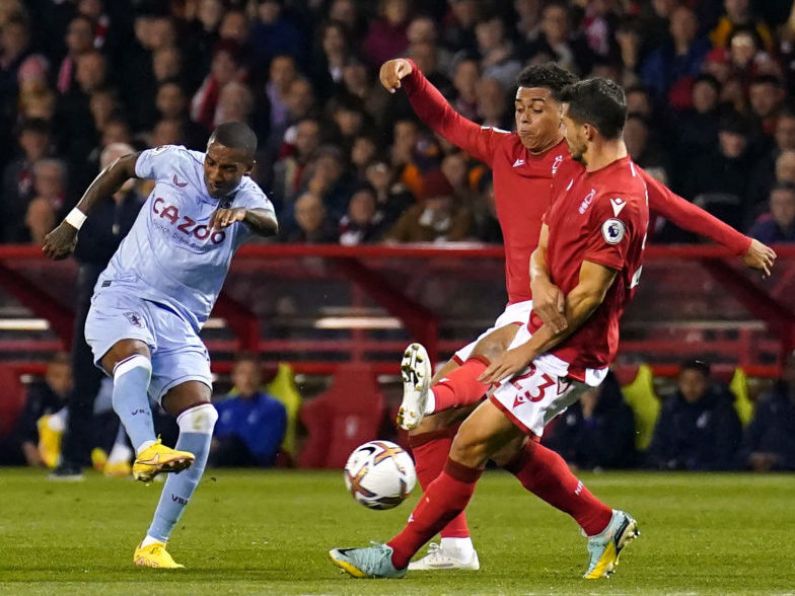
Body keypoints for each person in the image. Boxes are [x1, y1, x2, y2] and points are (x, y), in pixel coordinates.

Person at [372, 57, 775, 570]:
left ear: (566, 115)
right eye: (518, 107)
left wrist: (738, 244)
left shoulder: (589, 163)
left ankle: (432, 395)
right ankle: (464, 543)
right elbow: (448, 121)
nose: (523, 118)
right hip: (524, 301)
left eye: (537, 109)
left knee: (460, 395)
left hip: (559, 313)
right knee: (483, 442)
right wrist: (412, 79)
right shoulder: (504, 151)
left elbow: (671, 203)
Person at [330, 77, 647, 580]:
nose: (550, 130)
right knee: (498, 444)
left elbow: (588, 299)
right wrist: (539, 280)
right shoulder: (576, 173)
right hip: (538, 322)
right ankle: (601, 523)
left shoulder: (620, 200)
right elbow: (541, 243)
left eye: (561, 121)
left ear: (586, 129)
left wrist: (528, 350)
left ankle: (395, 556)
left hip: (573, 351)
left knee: (470, 441)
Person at [42, 121, 278, 568]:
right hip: (123, 293)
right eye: (211, 161)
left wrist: (244, 215)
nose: (214, 174)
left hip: (181, 320)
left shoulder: (250, 202)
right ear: (204, 153)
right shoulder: (175, 162)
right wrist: (73, 222)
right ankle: (146, 447)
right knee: (135, 360)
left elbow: (272, 223)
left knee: (202, 415)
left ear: (248, 169)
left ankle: (153, 544)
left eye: (228, 168)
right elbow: (120, 168)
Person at [50, 142, 146, 480]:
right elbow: (81, 249)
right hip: (94, 300)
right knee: (84, 382)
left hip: (137, 302)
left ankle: (151, 454)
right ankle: (72, 458)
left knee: (149, 378)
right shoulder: (87, 209)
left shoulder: (147, 208)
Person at [647, 360, 742, 471]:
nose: (690, 387)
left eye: (697, 381)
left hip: (708, 471)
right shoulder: (671, 408)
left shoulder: (722, 409)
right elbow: (658, 443)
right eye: (686, 381)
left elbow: (725, 449)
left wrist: (691, 465)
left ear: (707, 382)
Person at [543, 370, 637, 470]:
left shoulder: (619, 411)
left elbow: (612, 451)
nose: (589, 392)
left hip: (611, 468)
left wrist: (588, 417)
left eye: (594, 387)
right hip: (575, 466)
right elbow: (560, 441)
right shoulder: (571, 410)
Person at [210, 355, 287, 467]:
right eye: (242, 373)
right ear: (234, 377)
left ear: (260, 377)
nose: (248, 379)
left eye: (253, 374)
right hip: (220, 460)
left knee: (230, 444)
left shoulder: (273, 408)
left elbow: (265, 449)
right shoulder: (222, 407)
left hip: (253, 463)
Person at [740, 351, 795, 472]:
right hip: (764, 471)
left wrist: (781, 461)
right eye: (792, 367)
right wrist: (752, 457)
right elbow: (747, 442)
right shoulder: (767, 403)